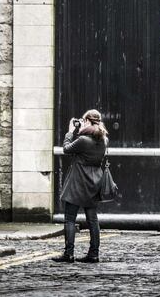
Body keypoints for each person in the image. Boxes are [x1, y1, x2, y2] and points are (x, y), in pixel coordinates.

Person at [52, 109, 109, 264]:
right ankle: (94, 254)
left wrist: (70, 132)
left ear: (88, 121)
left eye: (84, 121)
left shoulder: (84, 140)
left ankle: (68, 253)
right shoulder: (103, 140)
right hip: (94, 181)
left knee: (70, 218)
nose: (82, 123)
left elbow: (66, 149)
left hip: (78, 182)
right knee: (92, 219)